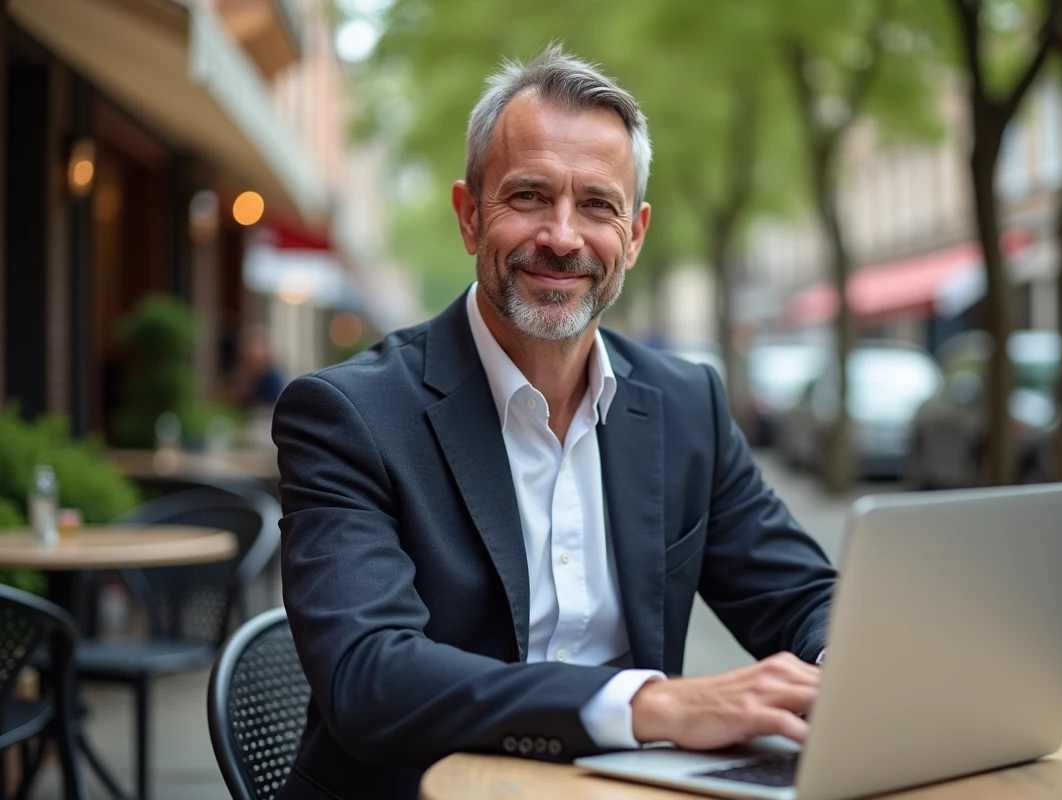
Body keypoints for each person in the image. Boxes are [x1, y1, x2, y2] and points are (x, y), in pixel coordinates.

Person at [272, 44, 837, 800]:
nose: (563, 237)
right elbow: (368, 675)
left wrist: (845, 674)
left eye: (597, 205)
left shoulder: (686, 406)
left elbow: (803, 596)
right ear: (470, 216)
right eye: (530, 196)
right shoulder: (349, 416)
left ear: (634, 236)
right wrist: (648, 705)